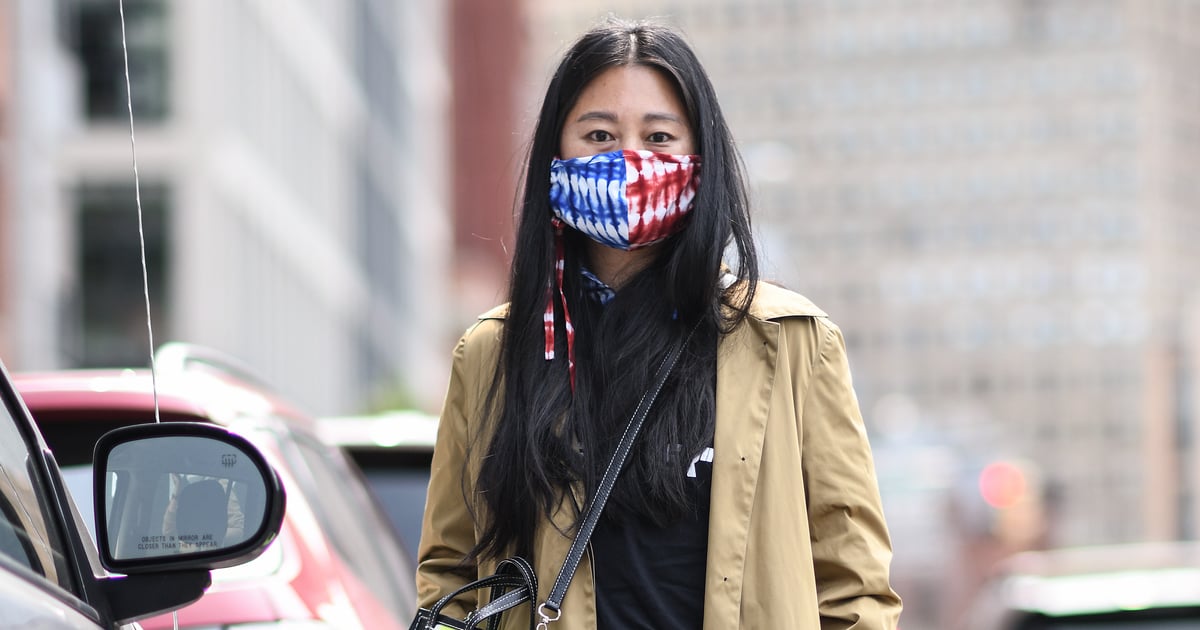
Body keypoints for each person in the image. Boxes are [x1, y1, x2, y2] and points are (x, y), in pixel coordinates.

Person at [416, 17, 902, 629]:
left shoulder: (789, 341)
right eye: (598, 133)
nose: (629, 160)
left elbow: (854, 586)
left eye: (660, 136)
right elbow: (452, 573)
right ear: (555, 154)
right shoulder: (495, 351)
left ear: (701, 159)